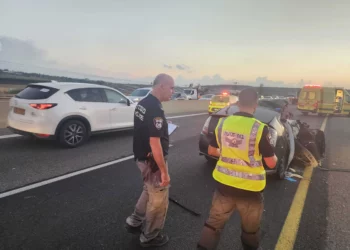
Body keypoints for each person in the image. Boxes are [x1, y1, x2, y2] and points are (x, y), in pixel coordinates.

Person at [197, 88, 278, 250]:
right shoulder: (260, 128)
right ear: (255, 105)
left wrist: (228, 152)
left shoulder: (222, 123)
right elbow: (271, 163)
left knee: (213, 225)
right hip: (250, 190)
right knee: (250, 230)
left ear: (238, 104)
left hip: (224, 186)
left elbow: (212, 151)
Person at [125, 73, 175, 248]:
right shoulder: (155, 109)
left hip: (141, 156)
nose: (173, 91)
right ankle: (150, 236)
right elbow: (154, 142)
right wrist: (163, 171)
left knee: (149, 189)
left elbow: (146, 130)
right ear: (161, 86)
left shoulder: (144, 103)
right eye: (171, 87)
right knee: (159, 198)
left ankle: (135, 221)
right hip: (151, 160)